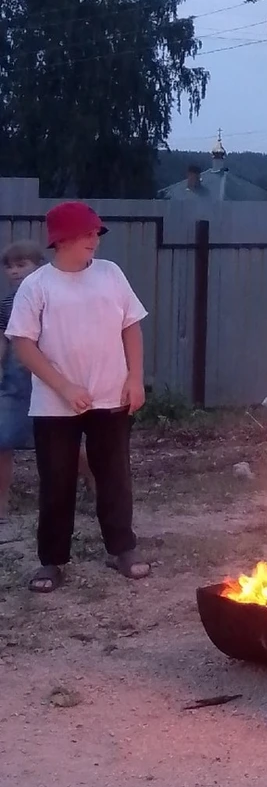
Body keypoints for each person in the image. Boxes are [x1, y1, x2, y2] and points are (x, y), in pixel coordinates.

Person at [4, 203, 149, 593]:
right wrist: (64, 386)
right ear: (62, 239)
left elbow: (131, 327)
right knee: (57, 481)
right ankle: (51, 561)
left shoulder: (110, 274)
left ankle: (123, 548)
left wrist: (135, 378)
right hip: (55, 405)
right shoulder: (38, 285)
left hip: (111, 396)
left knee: (115, 476)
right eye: (87, 234)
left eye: (96, 234)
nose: (94, 241)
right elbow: (23, 344)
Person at [0, 240, 46, 530]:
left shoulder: (49, 296)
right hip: (14, 380)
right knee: (3, 440)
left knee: (57, 442)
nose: (15, 271)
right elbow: (3, 338)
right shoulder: (6, 302)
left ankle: (92, 480)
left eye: (22, 264)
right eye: (9, 266)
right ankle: (1, 504)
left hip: (47, 379)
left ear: (38, 267)